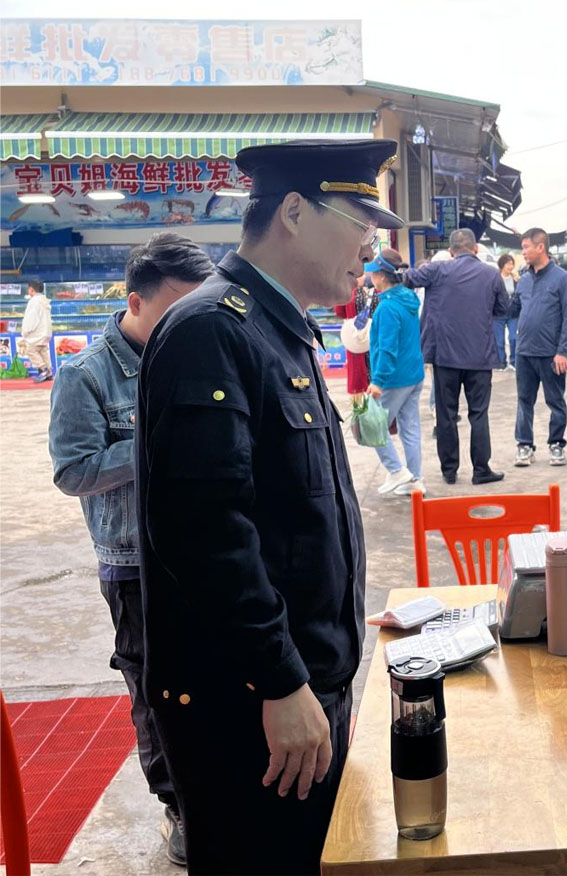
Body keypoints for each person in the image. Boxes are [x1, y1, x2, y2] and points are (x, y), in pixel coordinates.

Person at [136, 139, 404, 875]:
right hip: (253, 705)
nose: (370, 245)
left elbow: (294, 513)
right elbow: (205, 532)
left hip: (306, 688)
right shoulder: (211, 330)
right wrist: (280, 680)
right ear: (293, 212)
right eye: (359, 222)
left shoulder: (279, 328)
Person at [48, 233, 213, 866]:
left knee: (216, 678)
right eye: (175, 309)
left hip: (204, 551)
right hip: (135, 563)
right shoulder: (86, 374)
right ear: (136, 301)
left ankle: (217, 792)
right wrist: (155, 443)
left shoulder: (198, 355)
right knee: (156, 690)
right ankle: (179, 806)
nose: (186, 323)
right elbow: (73, 472)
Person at [403, 228, 507, 485]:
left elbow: (408, 278)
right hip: (479, 357)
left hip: (445, 356)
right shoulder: (492, 274)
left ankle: (449, 470)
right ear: (475, 248)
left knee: (446, 414)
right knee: (478, 413)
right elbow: (503, 308)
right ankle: (481, 470)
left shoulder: (438, 270)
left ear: (451, 251)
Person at [513, 227, 567, 467]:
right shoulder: (524, 279)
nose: (524, 253)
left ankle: (556, 444)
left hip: (551, 354)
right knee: (524, 400)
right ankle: (524, 445)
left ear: (541, 247)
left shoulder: (563, 279)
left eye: (526, 247)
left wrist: (563, 351)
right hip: (524, 352)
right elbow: (514, 310)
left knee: (555, 400)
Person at [366, 248, 425, 497]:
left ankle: (396, 470)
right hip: (414, 374)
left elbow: (388, 348)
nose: (370, 278)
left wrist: (378, 381)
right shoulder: (408, 299)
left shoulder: (387, 308)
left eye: (373, 274)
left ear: (381, 276)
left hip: (394, 378)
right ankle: (415, 480)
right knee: (409, 428)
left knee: (371, 426)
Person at [333, 279, 372, 400]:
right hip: (374, 338)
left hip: (356, 338)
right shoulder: (378, 291)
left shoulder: (348, 293)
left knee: (357, 377)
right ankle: (377, 411)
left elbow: (340, 312)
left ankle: (360, 412)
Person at [22, 279, 53, 382]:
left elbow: (31, 319)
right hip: (46, 332)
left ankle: (43, 369)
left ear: (31, 290)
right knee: (43, 351)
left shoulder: (34, 302)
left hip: (37, 333)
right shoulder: (45, 301)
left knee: (31, 350)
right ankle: (49, 371)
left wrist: (25, 332)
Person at [494, 253, 519, 370]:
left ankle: (513, 361)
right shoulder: (496, 278)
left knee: (514, 338)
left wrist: (518, 280)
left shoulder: (514, 279)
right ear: (502, 265)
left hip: (513, 313)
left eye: (512, 264)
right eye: (508, 264)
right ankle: (501, 362)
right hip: (498, 314)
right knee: (499, 341)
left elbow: (519, 294)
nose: (510, 266)